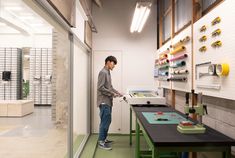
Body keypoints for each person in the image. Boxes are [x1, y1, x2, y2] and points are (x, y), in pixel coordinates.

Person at [97, 55, 122, 150]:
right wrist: (112, 94)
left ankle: (104, 138)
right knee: (105, 121)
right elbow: (100, 88)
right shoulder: (103, 72)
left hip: (108, 101)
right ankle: (101, 142)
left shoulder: (108, 72)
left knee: (107, 121)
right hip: (104, 102)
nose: (114, 66)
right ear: (108, 62)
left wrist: (117, 93)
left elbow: (110, 87)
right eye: (113, 64)